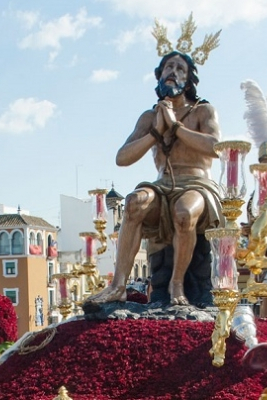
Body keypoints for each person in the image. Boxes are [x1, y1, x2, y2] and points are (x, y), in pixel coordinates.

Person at [85, 49, 224, 307]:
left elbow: (216, 147)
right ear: (159, 76)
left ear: (190, 80)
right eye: (168, 67)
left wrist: (176, 127)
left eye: (180, 68)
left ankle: (177, 284)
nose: (173, 72)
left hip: (197, 184)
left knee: (184, 212)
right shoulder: (150, 117)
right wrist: (156, 133)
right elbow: (122, 157)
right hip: (162, 185)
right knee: (135, 202)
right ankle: (118, 285)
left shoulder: (202, 111)